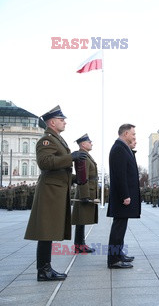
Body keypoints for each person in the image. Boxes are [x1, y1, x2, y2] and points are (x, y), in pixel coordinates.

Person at [24, 105, 87, 281]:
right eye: (61, 119)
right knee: (46, 231)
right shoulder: (47, 140)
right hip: (50, 191)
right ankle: (43, 270)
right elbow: (45, 162)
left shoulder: (58, 139)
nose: (64, 122)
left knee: (49, 230)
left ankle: (46, 268)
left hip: (56, 189)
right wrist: (71, 157)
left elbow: (60, 167)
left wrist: (75, 178)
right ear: (52, 122)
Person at [107, 124, 141, 269]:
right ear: (126, 133)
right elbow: (120, 175)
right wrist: (125, 195)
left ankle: (118, 253)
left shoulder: (123, 147)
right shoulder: (119, 149)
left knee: (121, 227)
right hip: (122, 197)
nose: (134, 137)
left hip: (124, 196)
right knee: (118, 228)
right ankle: (113, 259)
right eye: (133, 134)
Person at [72, 134, 98, 254]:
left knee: (81, 220)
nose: (91, 143)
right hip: (85, 191)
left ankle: (80, 244)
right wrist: (84, 195)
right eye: (89, 141)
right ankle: (79, 245)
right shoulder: (82, 156)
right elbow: (83, 176)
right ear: (83, 144)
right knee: (81, 219)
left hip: (88, 190)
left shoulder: (86, 155)